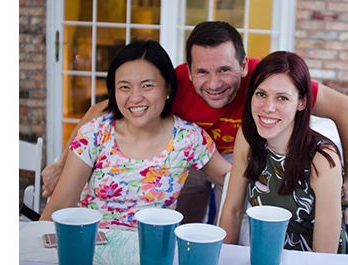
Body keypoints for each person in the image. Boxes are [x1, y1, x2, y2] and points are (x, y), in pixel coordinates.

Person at [42, 21, 348, 225]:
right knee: (184, 221)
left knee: (251, 203)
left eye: (224, 70)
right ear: (189, 68)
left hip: (240, 152)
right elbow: (106, 107)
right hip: (187, 157)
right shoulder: (173, 84)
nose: (213, 83)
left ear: (243, 66)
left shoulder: (268, 81)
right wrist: (63, 161)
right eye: (203, 72)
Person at [39, 40, 230, 230]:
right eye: (124, 87)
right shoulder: (95, 134)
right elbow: (58, 207)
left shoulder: (189, 138)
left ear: (168, 88)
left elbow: (231, 177)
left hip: (153, 252)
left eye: (147, 86)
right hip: (92, 249)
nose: (135, 97)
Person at [220, 51, 348, 253]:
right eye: (261, 94)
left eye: (282, 98)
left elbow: (325, 255)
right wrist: (224, 257)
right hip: (264, 254)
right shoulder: (247, 138)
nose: (268, 107)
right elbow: (233, 211)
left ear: (302, 102)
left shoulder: (322, 158)